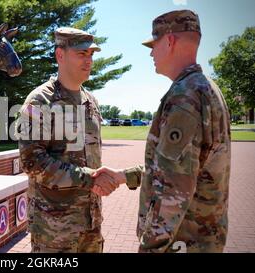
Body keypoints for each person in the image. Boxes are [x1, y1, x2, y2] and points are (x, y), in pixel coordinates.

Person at [92, 10, 231, 253]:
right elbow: (181, 169)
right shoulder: (205, 89)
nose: (151, 52)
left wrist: (150, 247)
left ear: (169, 41)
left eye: (154, 44)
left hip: (180, 243)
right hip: (201, 239)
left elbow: (173, 189)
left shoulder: (184, 97)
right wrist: (125, 176)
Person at [15, 27, 114, 253]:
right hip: (54, 230)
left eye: (91, 54)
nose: (88, 60)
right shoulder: (39, 101)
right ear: (60, 55)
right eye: (81, 54)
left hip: (91, 223)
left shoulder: (91, 101)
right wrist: (90, 178)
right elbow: (32, 162)